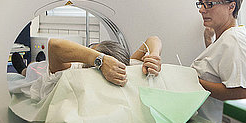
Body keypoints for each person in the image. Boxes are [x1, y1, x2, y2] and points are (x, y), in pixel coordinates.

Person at [9, 36, 162, 100]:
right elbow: (153, 39)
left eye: (91, 48)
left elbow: (55, 45)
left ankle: (29, 65)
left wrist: (154, 57)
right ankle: (25, 66)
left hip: (48, 69)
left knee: (38, 67)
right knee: (35, 67)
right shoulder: (71, 71)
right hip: (47, 69)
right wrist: (154, 54)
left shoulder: (123, 68)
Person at [190, 0, 246, 117]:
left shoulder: (235, 41)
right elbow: (217, 69)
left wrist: (193, 81)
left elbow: (242, 93)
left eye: (209, 4)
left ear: (231, 7)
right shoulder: (225, 38)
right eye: (201, 4)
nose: (202, 10)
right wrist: (208, 41)